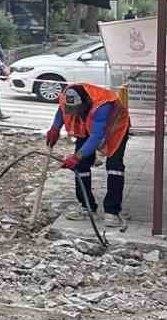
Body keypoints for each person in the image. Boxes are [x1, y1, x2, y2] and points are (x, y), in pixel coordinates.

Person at [47, 82, 131, 230]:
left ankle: (112, 211)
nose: (74, 112)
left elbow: (96, 137)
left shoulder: (102, 106)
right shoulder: (68, 94)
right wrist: (55, 127)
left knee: (114, 166)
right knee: (81, 166)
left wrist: (76, 156)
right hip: (86, 125)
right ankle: (87, 207)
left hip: (116, 127)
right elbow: (62, 110)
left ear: (85, 103)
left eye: (77, 110)